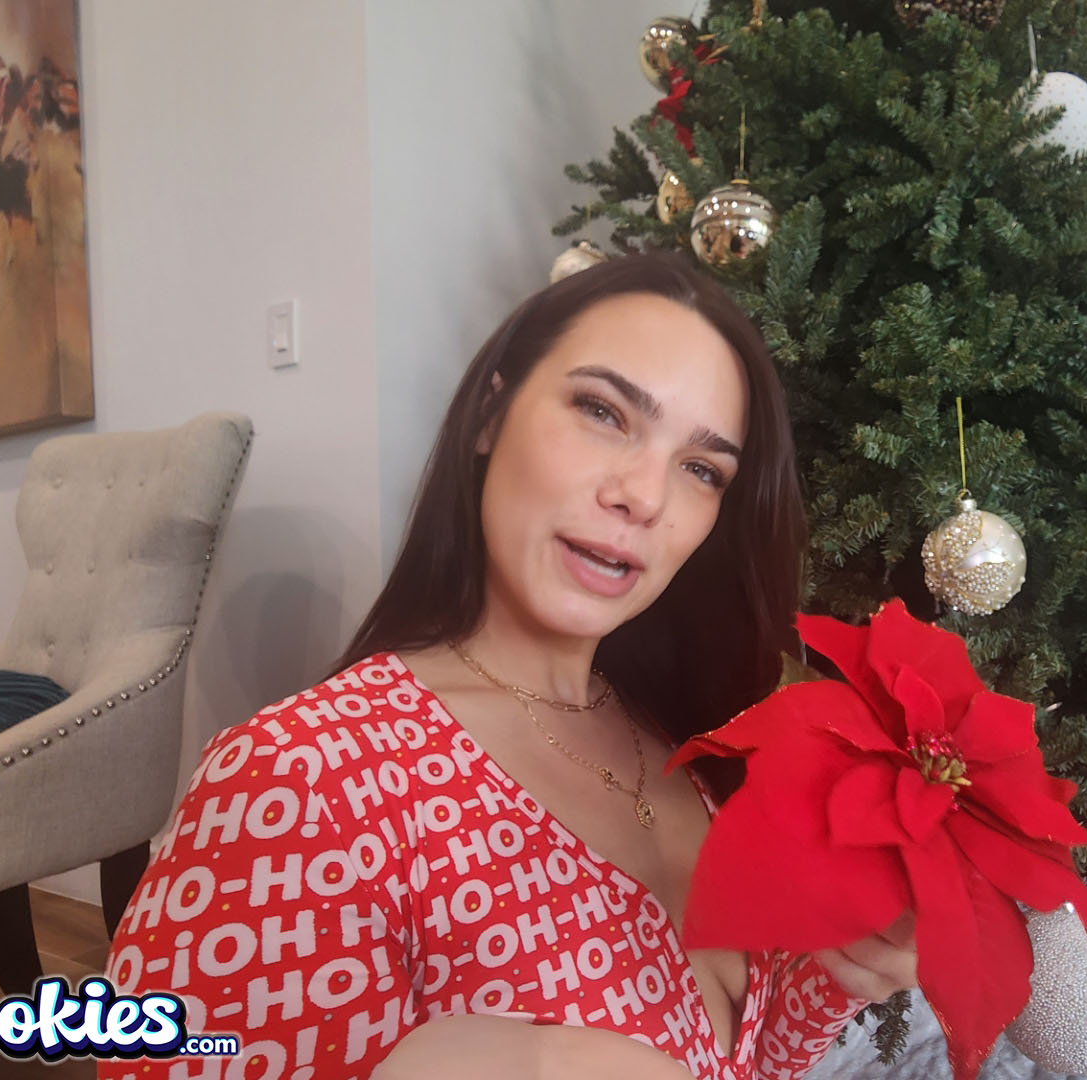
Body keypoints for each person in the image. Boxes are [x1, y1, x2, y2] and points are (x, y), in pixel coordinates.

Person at [99, 254, 918, 1080]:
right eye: (602, 412)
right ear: (491, 414)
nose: (646, 496)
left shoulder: (686, 749)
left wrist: (839, 973)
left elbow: (740, 1058)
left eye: (702, 470)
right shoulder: (302, 780)